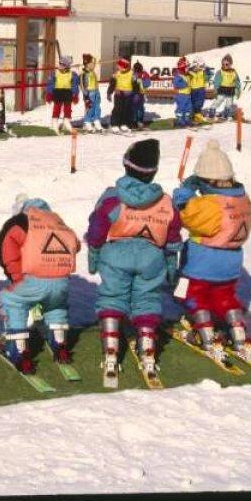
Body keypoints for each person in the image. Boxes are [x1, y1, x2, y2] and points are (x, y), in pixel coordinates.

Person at [85, 138, 182, 382]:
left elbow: (97, 228)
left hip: (116, 255)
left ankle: (110, 346)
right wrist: (171, 266)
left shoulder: (113, 197)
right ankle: (147, 345)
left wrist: (94, 254)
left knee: (112, 296)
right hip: (152, 256)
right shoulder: (166, 202)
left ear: (126, 166)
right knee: (147, 298)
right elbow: (172, 238)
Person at [172, 139, 251, 364]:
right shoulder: (243, 198)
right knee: (225, 297)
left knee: (194, 296)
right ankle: (238, 334)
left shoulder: (211, 203)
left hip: (202, 262)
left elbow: (187, 216)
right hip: (231, 262)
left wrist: (185, 193)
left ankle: (206, 334)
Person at [0, 194, 81, 373]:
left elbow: (2, 244)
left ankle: (17, 350)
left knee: (12, 300)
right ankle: (60, 343)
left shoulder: (22, 220)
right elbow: (76, 244)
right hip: (61, 281)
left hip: (33, 279)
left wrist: (15, 274)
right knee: (56, 306)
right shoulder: (58, 221)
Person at [45, 54, 79, 136]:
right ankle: (54, 123)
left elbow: (74, 85)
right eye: (60, 63)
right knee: (57, 109)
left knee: (68, 109)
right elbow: (50, 84)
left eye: (62, 64)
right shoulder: (55, 74)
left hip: (67, 93)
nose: (60, 66)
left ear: (67, 66)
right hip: (58, 92)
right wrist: (49, 94)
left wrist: (75, 95)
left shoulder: (72, 74)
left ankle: (67, 122)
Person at [106, 57, 136, 134]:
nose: (120, 68)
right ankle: (114, 125)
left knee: (126, 110)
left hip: (128, 95)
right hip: (118, 95)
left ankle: (123, 124)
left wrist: (136, 94)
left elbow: (135, 85)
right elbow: (112, 85)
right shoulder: (116, 74)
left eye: (123, 67)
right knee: (117, 109)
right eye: (119, 67)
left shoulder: (132, 74)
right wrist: (109, 93)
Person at [208, 55, 242, 120]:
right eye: (223, 64)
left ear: (230, 64)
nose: (224, 65)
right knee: (219, 100)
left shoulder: (234, 72)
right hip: (222, 89)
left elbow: (237, 81)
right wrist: (215, 89)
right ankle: (212, 112)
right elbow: (216, 81)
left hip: (230, 90)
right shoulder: (220, 72)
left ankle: (225, 115)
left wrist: (238, 90)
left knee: (229, 103)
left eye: (226, 64)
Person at [79, 54, 102, 133]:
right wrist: (84, 93)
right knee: (90, 107)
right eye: (92, 63)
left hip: (96, 92)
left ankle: (96, 120)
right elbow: (81, 83)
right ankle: (87, 122)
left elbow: (95, 60)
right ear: (87, 64)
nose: (94, 65)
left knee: (97, 107)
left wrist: (93, 58)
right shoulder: (83, 73)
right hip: (89, 92)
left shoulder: (92, 71)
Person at [172, 58, 192, 128]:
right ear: (182, 68)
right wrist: (184, 84)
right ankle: (180, 120)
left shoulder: (187, 75)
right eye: (187, 68)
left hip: (187, 95)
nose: (188, 69)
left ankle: (186, 119)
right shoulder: (178, 76)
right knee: (181, 108)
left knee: (188, 107)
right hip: (181, 95)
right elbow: (176, 83)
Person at [131, 61, 150, 130]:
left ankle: (139, 121)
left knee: (139, 108)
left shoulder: (144, 74)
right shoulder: (131, 74)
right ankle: (134, 122)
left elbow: (148, 83)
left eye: (138, 69)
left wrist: (141, 81)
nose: (137, 70)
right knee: (133, 108)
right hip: (133, 94)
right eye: (136, 69)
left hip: (140, 94)